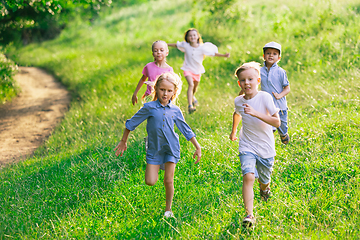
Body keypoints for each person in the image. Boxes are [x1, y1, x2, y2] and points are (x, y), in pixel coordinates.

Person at [114, 72, 201, 218]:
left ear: (174, 92)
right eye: (162, 90)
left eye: (169, 90)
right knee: (150, 181)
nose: (165, 93)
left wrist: (197, 147)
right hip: (154, 149)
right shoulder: (149, 107)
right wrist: (124, 141)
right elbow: (131, 123)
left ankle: (168, 210)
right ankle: (158, 166)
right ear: (156, 89)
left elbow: (185, 129)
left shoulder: (175, 110)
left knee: (168, 180)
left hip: (171, 148)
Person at [229, 62, 280, 228]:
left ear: (258, 80)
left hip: (265, 148)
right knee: (248, 176)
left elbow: (277, 122)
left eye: (250, 79)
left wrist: (255, 113)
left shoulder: (265, 97)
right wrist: (234, 131)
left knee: (264, 180)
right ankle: (249, 215)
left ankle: (265, 189)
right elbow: (237, 114)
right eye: (243, 80)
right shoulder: (238, 100)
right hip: (247, 145)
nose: (247, 83)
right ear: (239, 83)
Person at [168, 28, 230, 113]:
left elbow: (213, 54)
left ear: (197, 36)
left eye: (194, 35)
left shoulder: (202, 48)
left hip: (197, 71)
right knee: (191, 84)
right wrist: (165, 44)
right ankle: (190, 106)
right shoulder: (186, 46)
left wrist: (224, 55)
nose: (192, 37)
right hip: (187, 69)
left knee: (194, 87)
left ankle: (192, 97)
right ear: (187, 37)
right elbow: (176, 45)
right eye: (190, 35)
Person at [260, 42, 290, 144]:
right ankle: (269, 146)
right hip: (267, 107)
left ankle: (283, 135)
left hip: (280, 107)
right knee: (269, 129)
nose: (271, 55)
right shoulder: (259, 71)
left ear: (279, 58)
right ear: (264, 56)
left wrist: (279, 95)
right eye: (268, 53)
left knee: (282, 127)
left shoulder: (281, 72)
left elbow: (287, 88)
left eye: (274, 54)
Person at [132, 40, 174, 105]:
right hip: (149, 97)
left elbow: (171, 87)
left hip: (163, 99)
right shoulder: (149, 67)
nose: (158, 52)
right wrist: (135, 93)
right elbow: (143, 79)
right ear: (152, 54)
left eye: (161, 50)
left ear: (167, 53)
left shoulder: (169, 70)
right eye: (155, 50)